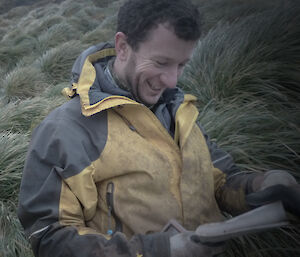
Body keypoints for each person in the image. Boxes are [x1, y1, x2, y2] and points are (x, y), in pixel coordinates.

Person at [18, 0, 300, 256]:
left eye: (181, 65)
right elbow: (49, 238)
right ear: (123, 47)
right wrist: (157, 250)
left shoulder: (178, 107)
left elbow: (219, 179)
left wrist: (261, 187)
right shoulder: (63, 131)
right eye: (162, 63)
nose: (172, 81)